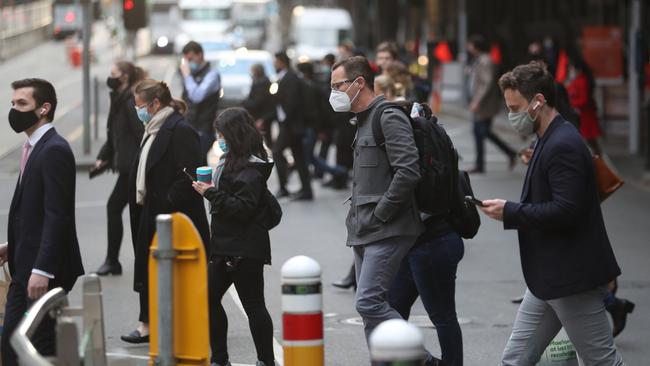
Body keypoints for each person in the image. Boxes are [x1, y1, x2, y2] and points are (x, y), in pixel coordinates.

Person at [480, 62, 625, 365]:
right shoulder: (550, 138)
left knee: (602, 362)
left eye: (515, 107)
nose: (512, 115)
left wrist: (511, 212)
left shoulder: (563, 143)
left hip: (571, 278)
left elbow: (567, 210)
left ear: (538, 101)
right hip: (548, 277)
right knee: (515, 359)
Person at [330, 56, 423, 351]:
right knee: (370, 311)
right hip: (363, 227)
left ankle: (422, 359)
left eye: (337, 85)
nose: (333, 93)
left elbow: (408, 171)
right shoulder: (363, 120)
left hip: (387, 227)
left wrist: (382, 212)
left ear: (359, 83)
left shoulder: (388, 116)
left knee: (368, 302)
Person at [1, 78, 84, 366]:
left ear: (43, 108)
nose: (14, 109)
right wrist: (13, 246)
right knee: (17, 345)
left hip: (42, 273)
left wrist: (43, 269)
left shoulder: (53, 150)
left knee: (37, 348)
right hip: (26, 265)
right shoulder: (35, 147)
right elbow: (35, 211)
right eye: (13, 103)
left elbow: (57, 215)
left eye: (22, 103)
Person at [122, 79, 210, 344]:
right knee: (150, 269)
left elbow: (189, 173)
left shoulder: (179, 130)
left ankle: (157, 324)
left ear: (155, 104)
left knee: (170, 271)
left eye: (140, 106)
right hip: (151, 211)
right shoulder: (153, 128)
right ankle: (148, 322)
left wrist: (165, 202)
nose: (137, 111)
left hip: (171, 215)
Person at [192, 107, 277, 366]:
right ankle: (221, 359)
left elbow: (242, 208)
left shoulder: (249, 168)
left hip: (242, 248)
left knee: (252, 304)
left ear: (234, 134)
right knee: (210, 298)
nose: (219, 139)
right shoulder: (236, 161)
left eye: (221, 134)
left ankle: (264, 361)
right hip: (228, 245)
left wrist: (210, 193)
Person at [388, 102, 464, 366]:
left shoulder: (417, 143)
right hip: (420, 242)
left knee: (442, 315)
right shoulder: (435, 136)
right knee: (392, 310)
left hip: (431, 242)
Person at [94, 61, 145, 276]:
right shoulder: (119, 98)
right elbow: (114, 133)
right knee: (134, 213)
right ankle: (118, 260)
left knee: (117, 209)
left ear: (124, 76)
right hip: (127, 165)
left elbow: (140, 134)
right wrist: (104, 156)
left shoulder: (129, 101)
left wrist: (142, 164)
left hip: (132, 167)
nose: (110, 76)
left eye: (113, 73)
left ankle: (114, 260)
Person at [467, 34, 516, 173]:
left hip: (485, 105)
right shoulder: (479, 60)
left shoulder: (485, 61)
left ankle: (509, 153)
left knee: (482, 131)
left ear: (475, 46)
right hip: (481, 104)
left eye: (470, 44)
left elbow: (487, 83)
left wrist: (477, 101)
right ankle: (481, 164)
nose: (468, 47)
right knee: (479, 132)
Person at [271, 51, 313, 200]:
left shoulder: (290, 77)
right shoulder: (286, 77)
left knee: (277, 152)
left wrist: (285, 121)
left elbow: (292, 102)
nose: (274, 64)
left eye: (276, 61)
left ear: (282, 61)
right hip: (292, 125)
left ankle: (283, 187)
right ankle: (306, 190)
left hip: (291, 125)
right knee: (299, 157)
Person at [180, 41, 221, 161]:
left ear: (200, 55)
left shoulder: (212, 75)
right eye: (187, 60)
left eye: (191, 58)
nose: (189, 62)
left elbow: (197, 96)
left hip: (204, 130)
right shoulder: (191, 75)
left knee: (198, 162)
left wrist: (187, 75)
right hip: (190, 127)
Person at [566, 56, 603, 155]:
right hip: (584, 115)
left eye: (572, 68)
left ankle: (597, 162)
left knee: (590, 142)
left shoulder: (582, 81)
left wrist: (570, 103)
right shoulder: (579, 80)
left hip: (584, 116)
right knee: (590, 142)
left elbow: (583, 100)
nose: (570, 70)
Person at [243, 63, 274, 148]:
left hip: (261, 116)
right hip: (262, 115)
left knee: (264, 139)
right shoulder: (261, 81)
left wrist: (245, 102)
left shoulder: (261, 83)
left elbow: (258, 102)